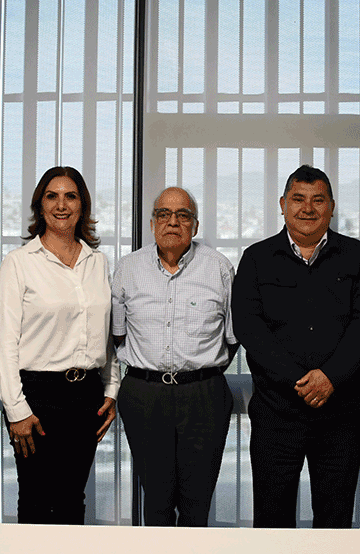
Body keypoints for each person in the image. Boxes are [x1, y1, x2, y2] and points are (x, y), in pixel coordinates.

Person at [232, 164, 360, 528]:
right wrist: (300, 380)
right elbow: (249, 328)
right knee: (272, 520)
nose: (308, 208)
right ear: (283, 204)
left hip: (339, 413)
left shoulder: (356, 256)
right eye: (298, 199)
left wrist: (330, 377)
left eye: (318, 200)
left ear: (331, 207)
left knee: (334, 520)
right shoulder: (256, 258)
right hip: (276, 413)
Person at [0, 166, 121, 525]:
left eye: (70, 196)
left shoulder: (98, 262)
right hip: (37, 396)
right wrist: (15, 409)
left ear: (83, 205)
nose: (61, 204)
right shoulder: (19, 263)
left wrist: (111, 390)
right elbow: (4, 343)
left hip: (86, 397)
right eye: (52, 196)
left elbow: (105, 334)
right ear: (40, 205)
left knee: (71, 499)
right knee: (35, 498)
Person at [112, 187, 236, 527]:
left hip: (203, 394)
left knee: (197, 503)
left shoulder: (219, 268)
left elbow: (232, 337)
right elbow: (117, 334)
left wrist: (197, 370)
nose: (173, 222)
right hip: (145, 394)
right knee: (156, 502)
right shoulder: (128, 268)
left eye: (183, 215)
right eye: (164, 214)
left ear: (195, 226)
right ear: (152, 223)